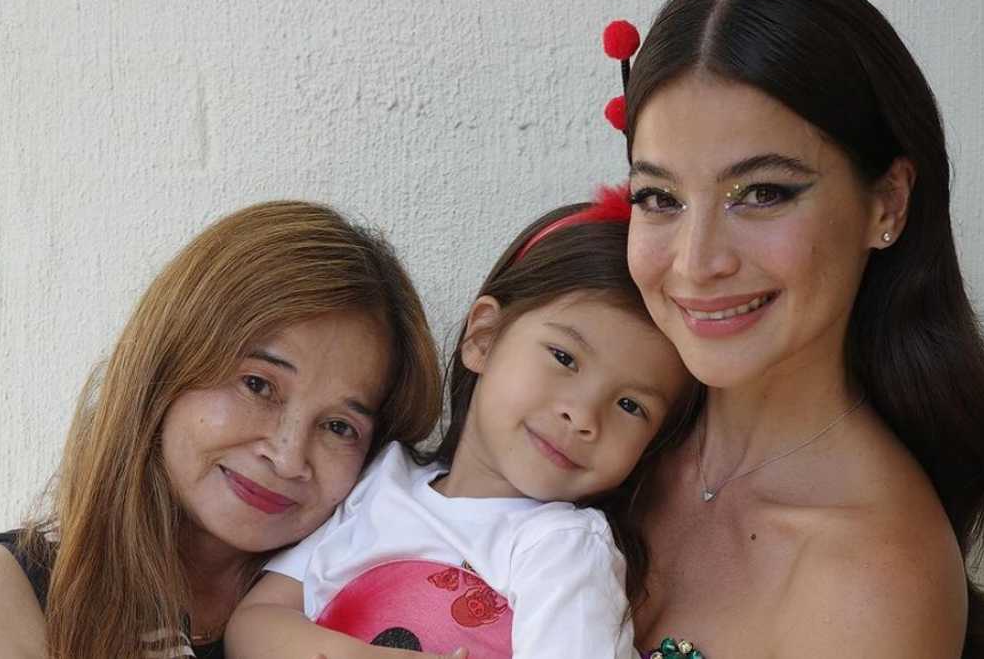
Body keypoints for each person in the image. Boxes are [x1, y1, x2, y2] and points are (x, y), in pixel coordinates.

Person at [613, 0, 984, 658]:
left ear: (887, 203)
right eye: (659, 197)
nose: (697, 263)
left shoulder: (872, 582)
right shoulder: (595, 428)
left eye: (762, 193)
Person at [0, 201, 444, 659]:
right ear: (166, 364)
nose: (287, 457)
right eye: (257, 385)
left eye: (339, 426)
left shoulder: (382, 621)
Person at [225, 200, 703, 659]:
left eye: (630, 405)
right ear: (484, 338)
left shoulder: (563, 549)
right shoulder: (379, 483)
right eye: (564, 358)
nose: (582, 417)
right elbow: (255, 622)